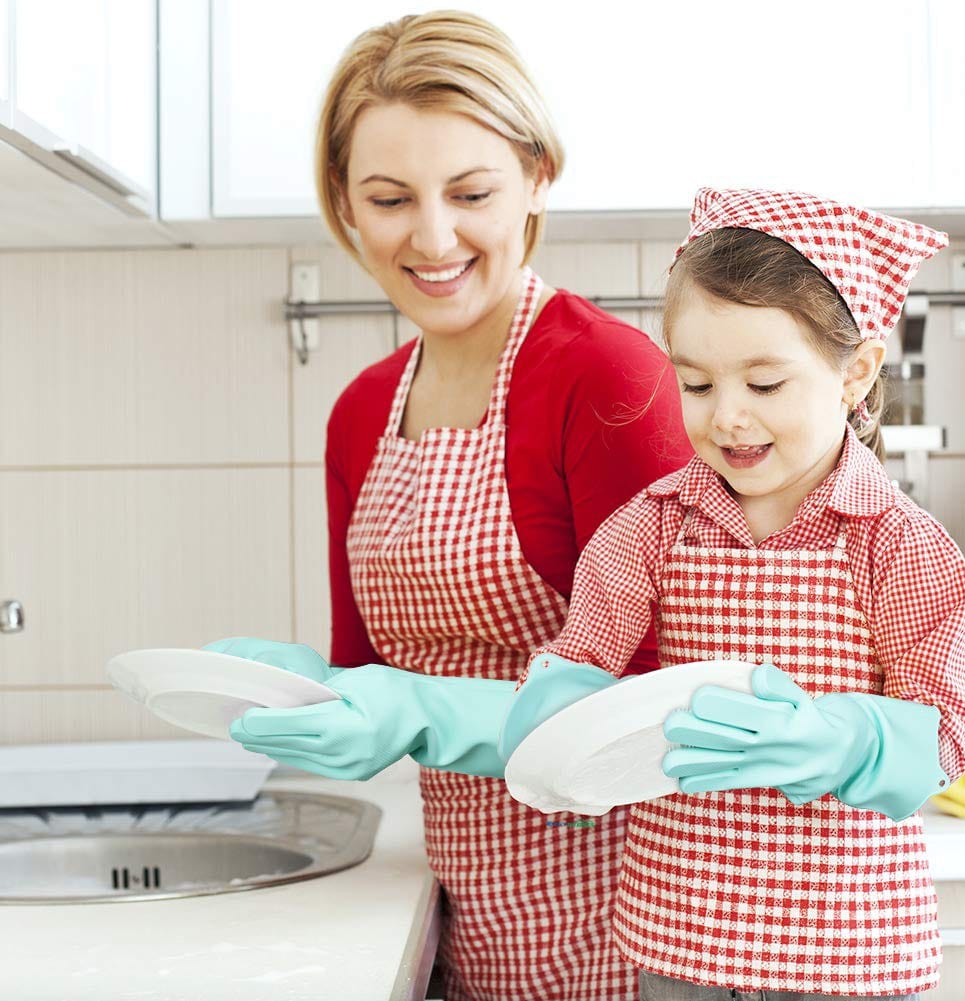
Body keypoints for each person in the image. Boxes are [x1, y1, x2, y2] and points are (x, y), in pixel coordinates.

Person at [207, 11, 691, 1001]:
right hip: (470, 927)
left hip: (632, 940)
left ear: (536, 176)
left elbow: (666, 710)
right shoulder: (358, 413)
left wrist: (417, 711)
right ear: (342, 200)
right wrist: (305, 688)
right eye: (388, 197)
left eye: (470, 192)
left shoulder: (606, 378)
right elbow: (368, 675)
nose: (431, 238)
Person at [501, 187, 965, 999]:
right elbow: (581, 657)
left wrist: (845, 739)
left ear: (854, 371)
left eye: (763, 383)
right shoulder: (647, 530)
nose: (727, 417)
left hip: (847, 945)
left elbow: (943, 736)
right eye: (695, 384)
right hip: (678, 934)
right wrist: (556, 712)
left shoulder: (902, 545)